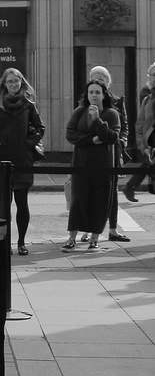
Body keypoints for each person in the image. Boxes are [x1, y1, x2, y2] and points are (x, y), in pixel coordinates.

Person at [0, 67, 45, 255]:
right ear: (4, 84)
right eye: (9, 81)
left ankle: (21, 242)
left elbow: (40, 127)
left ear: (21, 83)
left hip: (23, 159)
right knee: (4, 203)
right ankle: (5, 242)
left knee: (22, 202)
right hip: (3, 158)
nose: (13, 84)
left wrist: (29, 142)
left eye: (16, 81)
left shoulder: (28, 104)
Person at [63, 79, 120, 252]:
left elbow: (112, 138)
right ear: (86, 95)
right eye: (90, 92)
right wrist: (91, 140)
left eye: (97, 92)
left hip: (102, 165)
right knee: (78, 200)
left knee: (99, 200)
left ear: (104, 95)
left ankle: (95, 238)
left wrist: (97, 120)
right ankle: (71, 238)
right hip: (81, 164)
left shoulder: (111, 113)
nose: (93, 95)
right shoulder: (79, 111)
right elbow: (70, 134)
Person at [87, 66, 130, 242]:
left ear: (107, 83)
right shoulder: (86, 102)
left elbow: (124, 126)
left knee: (112, 192)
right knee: (90, 192)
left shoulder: (117, 102)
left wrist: (122, 141)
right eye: (95, 79)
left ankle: (112, 229)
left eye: (102, 80)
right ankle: (89, 229)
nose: (99, 83)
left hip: (112, 152)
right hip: (92, 152)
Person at [121, 62, 155, 201]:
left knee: (150, 164)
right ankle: (130, 186)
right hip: (151, 143)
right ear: (149, 77)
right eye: (153, 75)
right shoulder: (147, 99)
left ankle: (130, 186)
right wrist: (143, 147)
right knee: (149, 163)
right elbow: (140, 125)